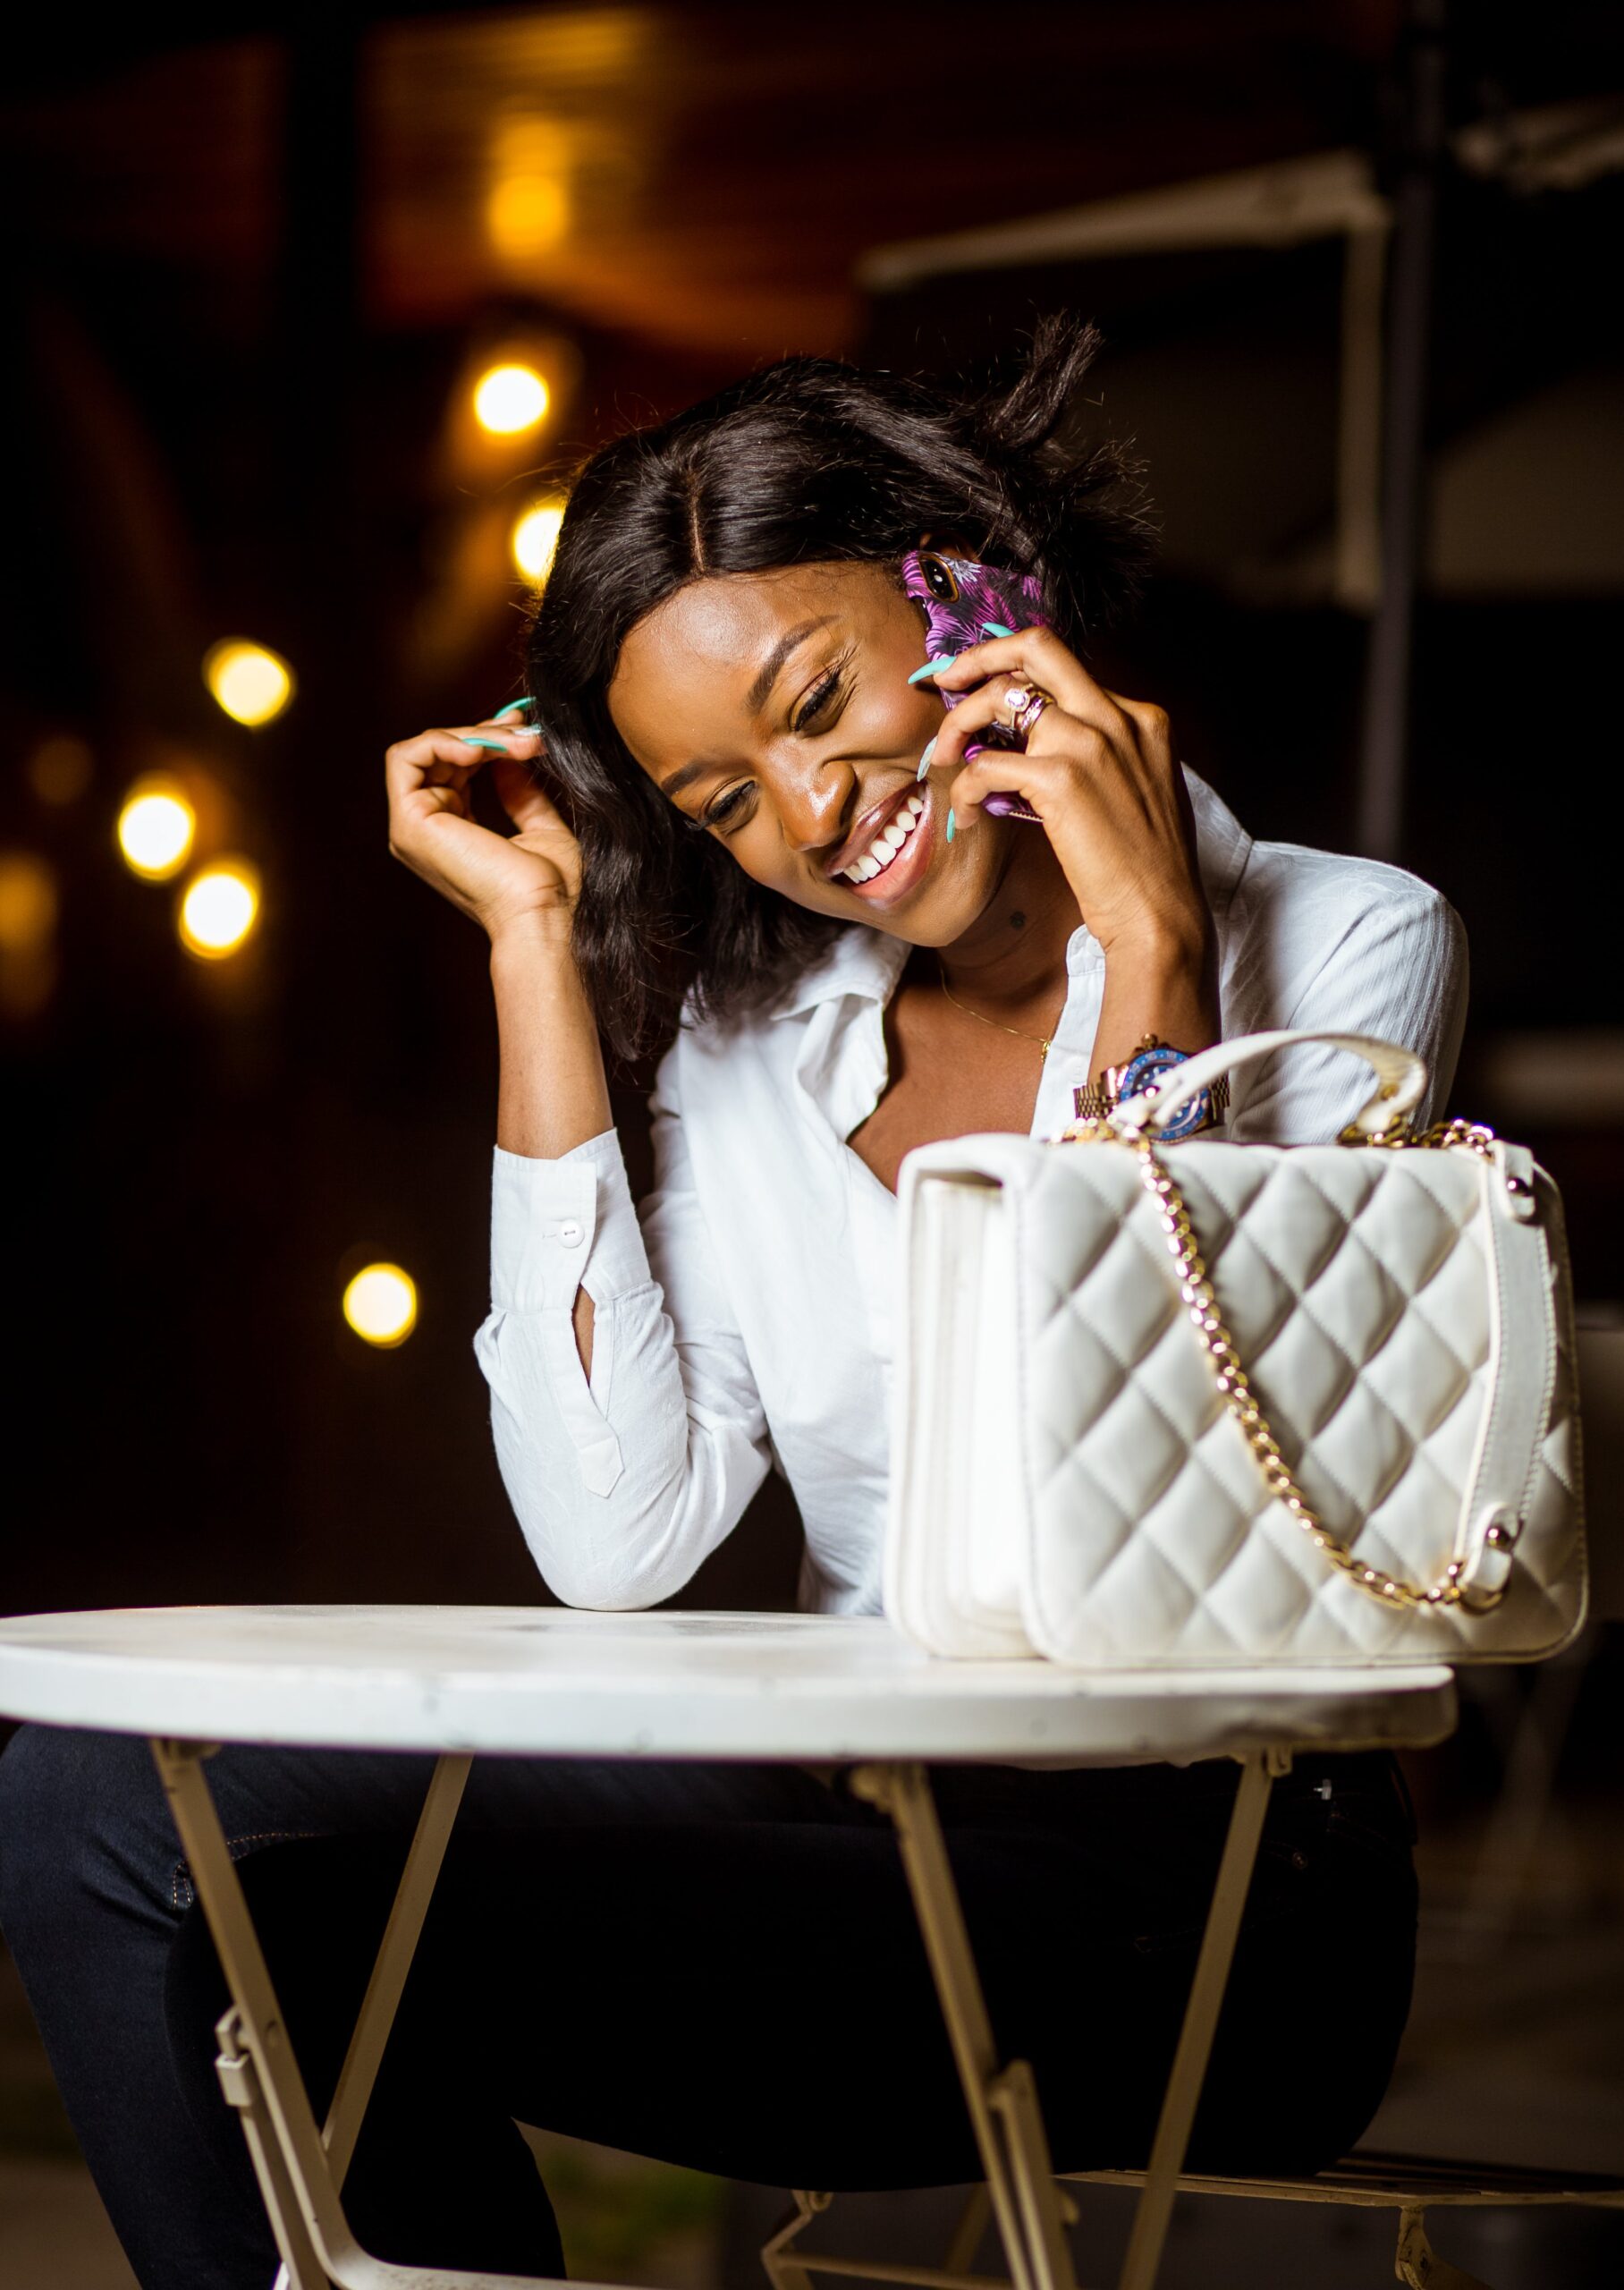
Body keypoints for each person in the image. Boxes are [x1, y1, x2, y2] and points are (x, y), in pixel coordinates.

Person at [0, 317, 1465, 2287]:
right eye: (717, 799)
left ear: (975, 587)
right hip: (847, 1836)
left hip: (1191, 1898)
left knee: (269, 1921)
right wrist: (535, 950)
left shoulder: (1350, 935)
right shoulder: (754, 1037)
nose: (806, 814)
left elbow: (1146, 1541)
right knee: (99, 1811)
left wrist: (1151, 952)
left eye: (816, 697)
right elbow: (619, 1541)